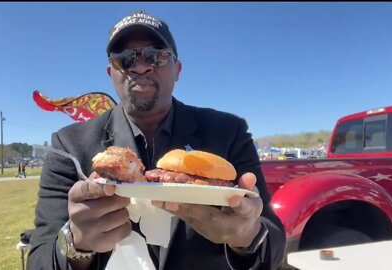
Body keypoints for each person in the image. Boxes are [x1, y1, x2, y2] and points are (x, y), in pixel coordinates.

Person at [28, 11, 286, 270]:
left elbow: (273, 246)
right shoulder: (69, 145)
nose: (140, 66)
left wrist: (247, 237)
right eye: (124, 59)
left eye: (156, 55)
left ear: (178, 69)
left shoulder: (228, 132)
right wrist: (76, 245)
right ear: (111, 73)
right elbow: (39, 259)